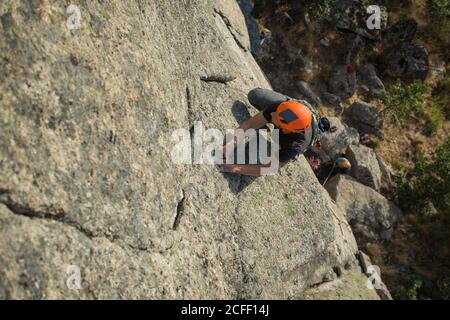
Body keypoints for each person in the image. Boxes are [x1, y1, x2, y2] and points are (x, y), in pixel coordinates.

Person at [221, 88, 331, 176]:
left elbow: (269, 167)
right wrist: (231, 145)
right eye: (275, 114)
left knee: (275, 140)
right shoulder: (280, 107)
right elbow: (250, 124)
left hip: (300, 130)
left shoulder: (295, 145)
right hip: (296, 109)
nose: (273, 114)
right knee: (255, 94)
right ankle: (293, 107)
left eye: (276, 118)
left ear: (285, 129)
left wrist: (235, 168)